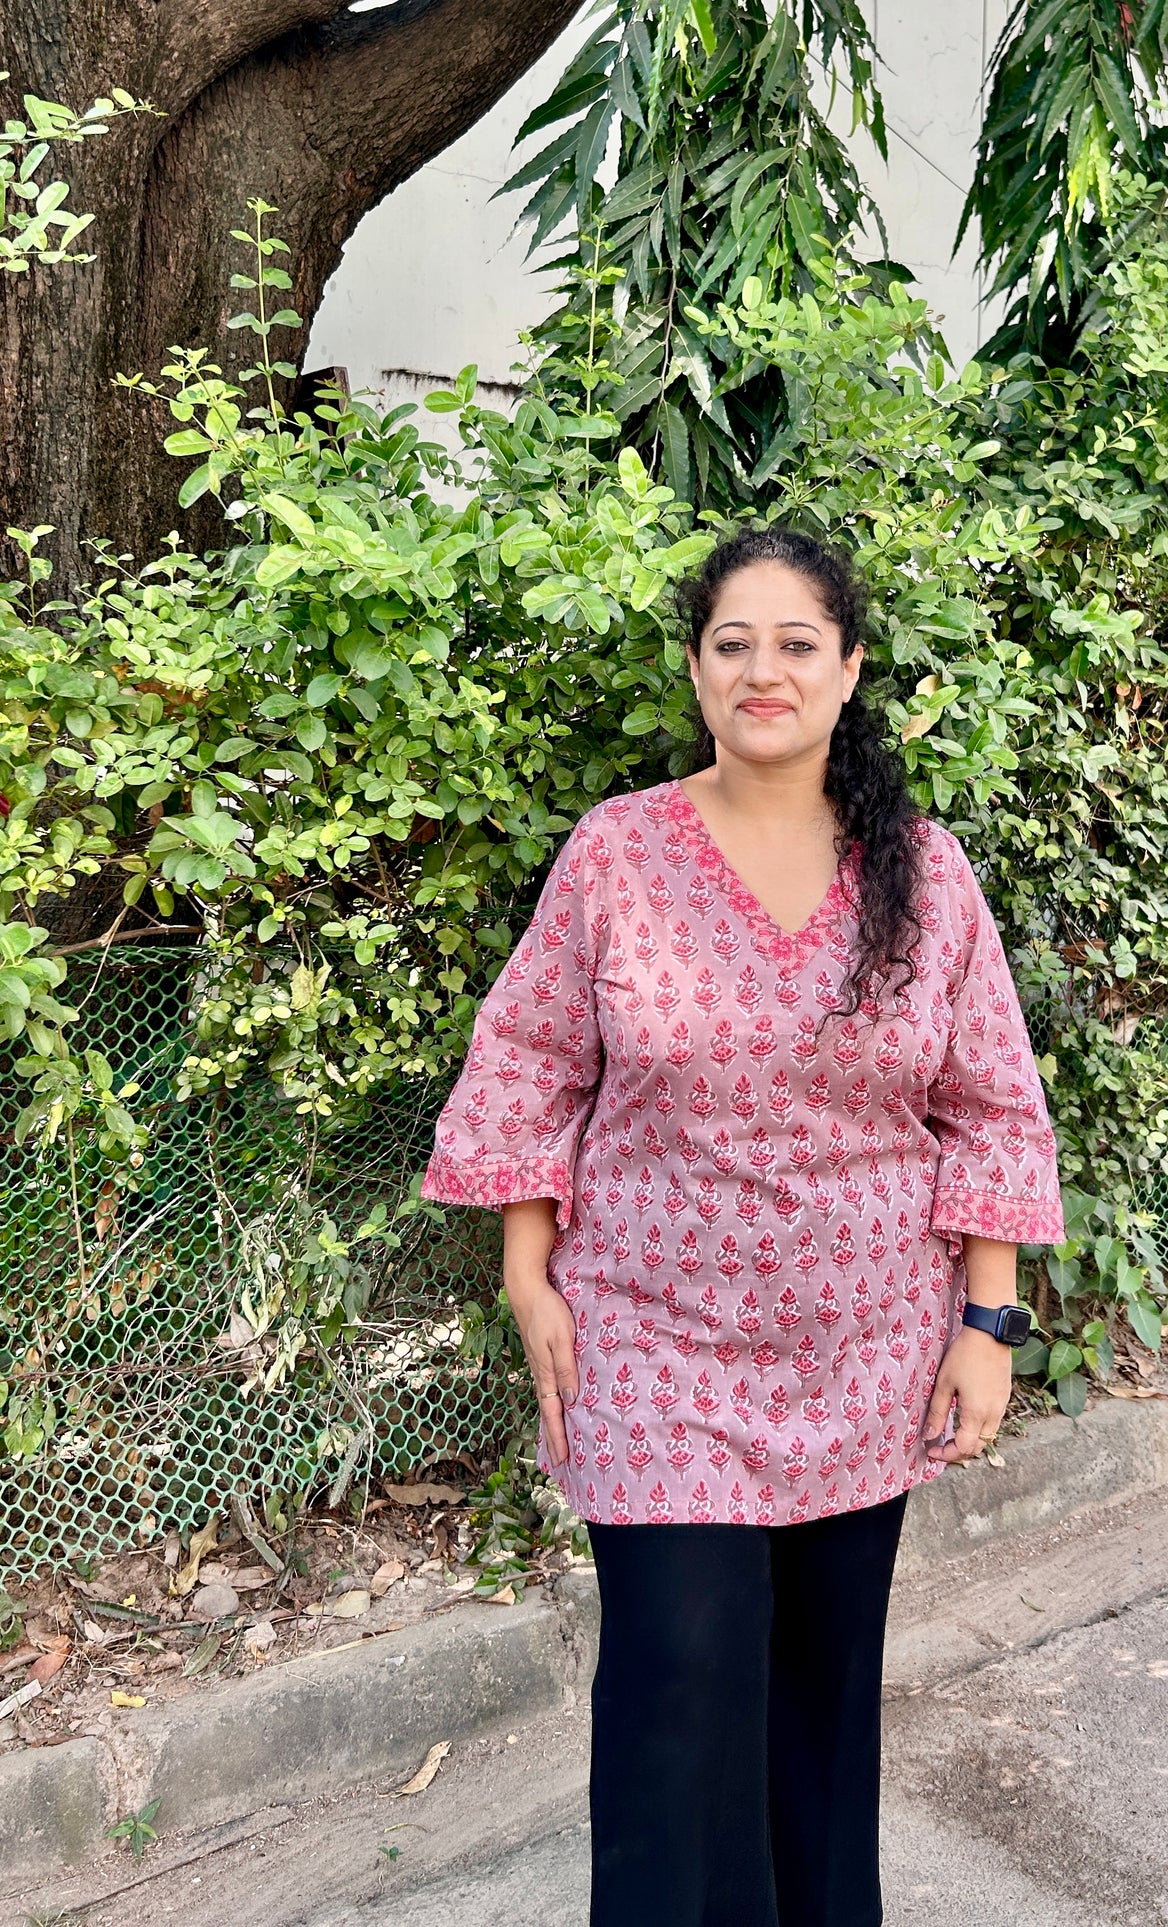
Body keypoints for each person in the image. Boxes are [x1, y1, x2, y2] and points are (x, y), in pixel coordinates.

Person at [422, 525, 1064, 1927]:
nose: (761, 670)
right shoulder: (620, 854)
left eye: (793, 644)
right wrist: (529, 1272)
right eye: (732, 644)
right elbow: (531, 1062)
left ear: (847, 671)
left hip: (868, 1343)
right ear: (698, 673)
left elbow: (990, 1104)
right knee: (674, 1684)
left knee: (821, 1700)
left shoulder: (925, 872)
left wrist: (986, 1321)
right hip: (653, 1349)